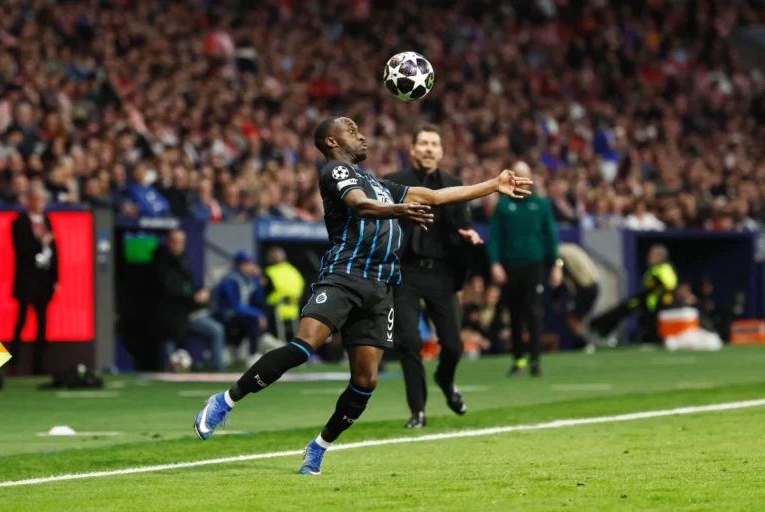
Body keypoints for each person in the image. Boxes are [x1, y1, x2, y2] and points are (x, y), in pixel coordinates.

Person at [193, 116, 532, 475]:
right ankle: (223, 403)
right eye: (352, 131)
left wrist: (493, 185)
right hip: (345, 277)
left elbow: (435, 196)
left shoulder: (378, 183)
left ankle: (319, 446)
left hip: (381, 288)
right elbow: (359, 205)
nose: (362, 136)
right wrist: (399, 211)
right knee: (303, 346)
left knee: (366, 381)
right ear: (331, 142)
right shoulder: (335, 172)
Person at [384, 124, 483, 429]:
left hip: (441, 272)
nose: (428, 148)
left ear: (441, 152)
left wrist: (468, 235)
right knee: (409, 341)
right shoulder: (394, 183)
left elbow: (463, 224)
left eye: (434, 144)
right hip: (406, 272)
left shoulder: (454, 184)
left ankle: (445, 379)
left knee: (453, 345)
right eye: (423, 143)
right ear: (412, 149)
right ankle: (418, 411)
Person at [488, 162, 562, 377]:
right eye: (517, 175)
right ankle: (518, 358)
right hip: (511, 267)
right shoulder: (503, 206)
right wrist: (495, 263)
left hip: (534, 267)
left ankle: (535, 359)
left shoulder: (541, 205)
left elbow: (551, 236)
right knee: (514, 314)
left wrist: (556, 265)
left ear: (530, 178)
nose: (520, 179)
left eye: (524, 176)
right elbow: (495, 237)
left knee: (534, 313)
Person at [153, 229, 226, 372]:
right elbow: (171, 289)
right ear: (169, 242)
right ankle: (167, 372)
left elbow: (188, 285)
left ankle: (218, 370)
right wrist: (193, 296)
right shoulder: (161, 262)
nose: (178, 245)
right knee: (168, 337)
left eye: (181, 242)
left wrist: (199, 293)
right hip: (169, 316)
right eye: (175, 242)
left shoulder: (183, 261)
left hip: (186, 314)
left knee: (217, 330)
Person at [9, 184, 58, 375]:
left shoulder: (48, 221)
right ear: (29, 201)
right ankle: (12, 365)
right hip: (26, 281)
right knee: (20, 322)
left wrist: (56, 278)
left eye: (42, 200)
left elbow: (55, 253)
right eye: (36, 199)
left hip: (43, 282)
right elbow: (20, 249)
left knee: (42, 325)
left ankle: (39, 367)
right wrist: (40, 243)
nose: (40, 204)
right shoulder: (18, 223)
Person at [590, 244, 677, 344]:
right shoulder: (656, 269)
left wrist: (642, 298)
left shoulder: (663, 269)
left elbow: (664, 287)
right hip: (648, 304)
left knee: (625, 310)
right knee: (622, 309)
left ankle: (600, 331)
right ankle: (600, 330)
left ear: (660, 257)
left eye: (652, 255)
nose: (649, 258)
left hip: (657, 306)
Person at [211, 251, 269, 365]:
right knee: (253, 320)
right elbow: (235, 305)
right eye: (247, 263)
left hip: (237, 314)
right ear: (240, 264)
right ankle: (253, 355)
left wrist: (258, 278)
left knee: (257, 318)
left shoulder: (247, 278)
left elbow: (257, 298)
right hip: (224, 314)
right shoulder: (230, 279)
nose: (250, 266)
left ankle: (238, 351)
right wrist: (258, 314)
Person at [552, 243, 600, 350]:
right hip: (593, 284)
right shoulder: (570, 248)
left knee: (572, 317)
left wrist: (556, 297)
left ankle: (584, 343)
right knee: (576, 317)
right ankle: (583, 343)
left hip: (585, 286)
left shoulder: (559, 254)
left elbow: (559, 270)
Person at [263, 247, 305, 343]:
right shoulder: (294, 271)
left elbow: (264, 292)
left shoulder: (269, 272)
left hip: (276, 310)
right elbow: (302, 286)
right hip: (294, 310)